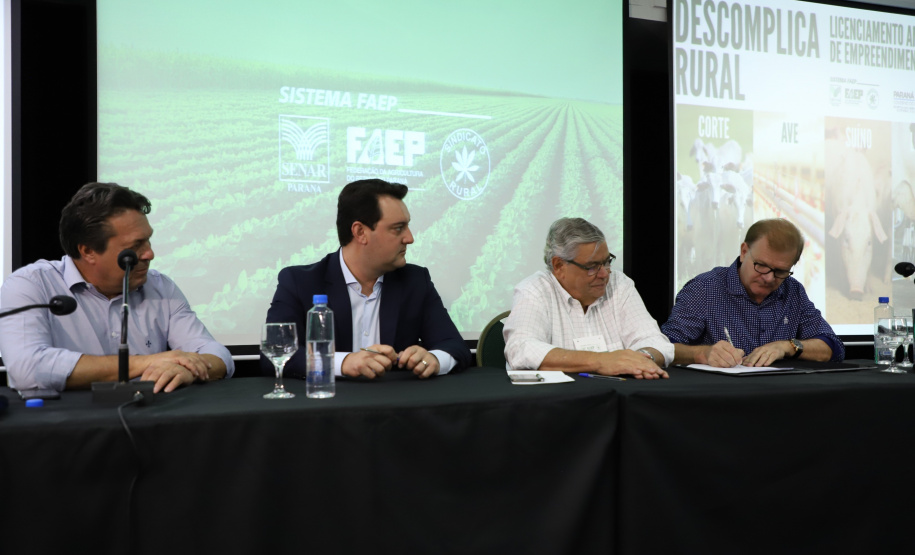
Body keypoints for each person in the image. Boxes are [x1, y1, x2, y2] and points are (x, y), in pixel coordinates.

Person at [0, 182, 234, 393]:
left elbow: (216, 353)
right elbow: (27, 369)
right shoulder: (31, 286)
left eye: (148, 240)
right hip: (66, 431)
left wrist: (190, 370)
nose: (150, 254)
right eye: (136, 245)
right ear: (88, 251)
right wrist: (147, 363)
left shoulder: (161, 287)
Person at [262, 178, 471, 379]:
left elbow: (453, 345)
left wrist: (433, 359)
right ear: (360, 232)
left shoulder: (415, 281)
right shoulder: (299, 282)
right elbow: (273, 355)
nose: (410, 238)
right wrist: (343, 363)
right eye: (398, 229)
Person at [662, 218, 845, 367]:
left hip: (781, 397)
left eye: (780, 271)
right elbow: (664, 348)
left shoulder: (792, 291)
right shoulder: (704, 289)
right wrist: (702, 353)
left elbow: (832, 347)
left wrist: (787, 347)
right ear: (744, 252)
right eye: (762, 266)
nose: (769, 278)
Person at [503, 217, 671, 379]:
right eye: (592, 267)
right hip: (556, 401)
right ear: (559, 266)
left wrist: (638, 360)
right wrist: (601, 361)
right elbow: (521, 349)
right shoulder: (534, 290)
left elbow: (655, 340)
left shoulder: (619, 284)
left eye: (607, 262)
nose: (604, 274)